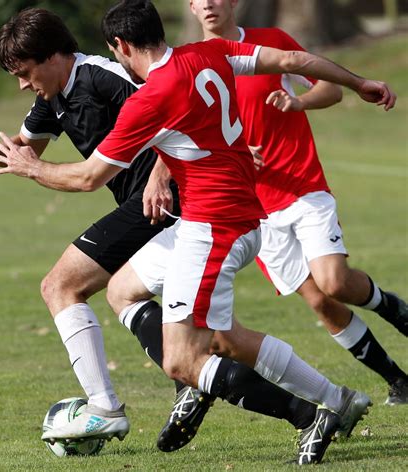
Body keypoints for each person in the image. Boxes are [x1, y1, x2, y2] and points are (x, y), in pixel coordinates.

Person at [0, 0, 397, 464]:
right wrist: (359, 81)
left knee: (181, 361)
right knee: (133, 294)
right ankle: (339, 400)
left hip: (215, 227)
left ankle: (308, 416)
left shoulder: (150, 98)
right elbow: (293, 61)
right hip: (226, 218)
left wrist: (31, 167)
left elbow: (87, 178)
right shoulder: (209, 54)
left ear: (120, 46)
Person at [145, 0, 408, 453]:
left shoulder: (271, 45)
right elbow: (175, 129)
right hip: (253, 209)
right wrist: (159, 175)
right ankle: (398, 380)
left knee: (335, 281)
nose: (207, 4)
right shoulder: (191, 61)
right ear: (190, 7)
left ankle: (397, 312)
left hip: (302, 186)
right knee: (321, 305)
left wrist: (296, 101)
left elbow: (332, 90)